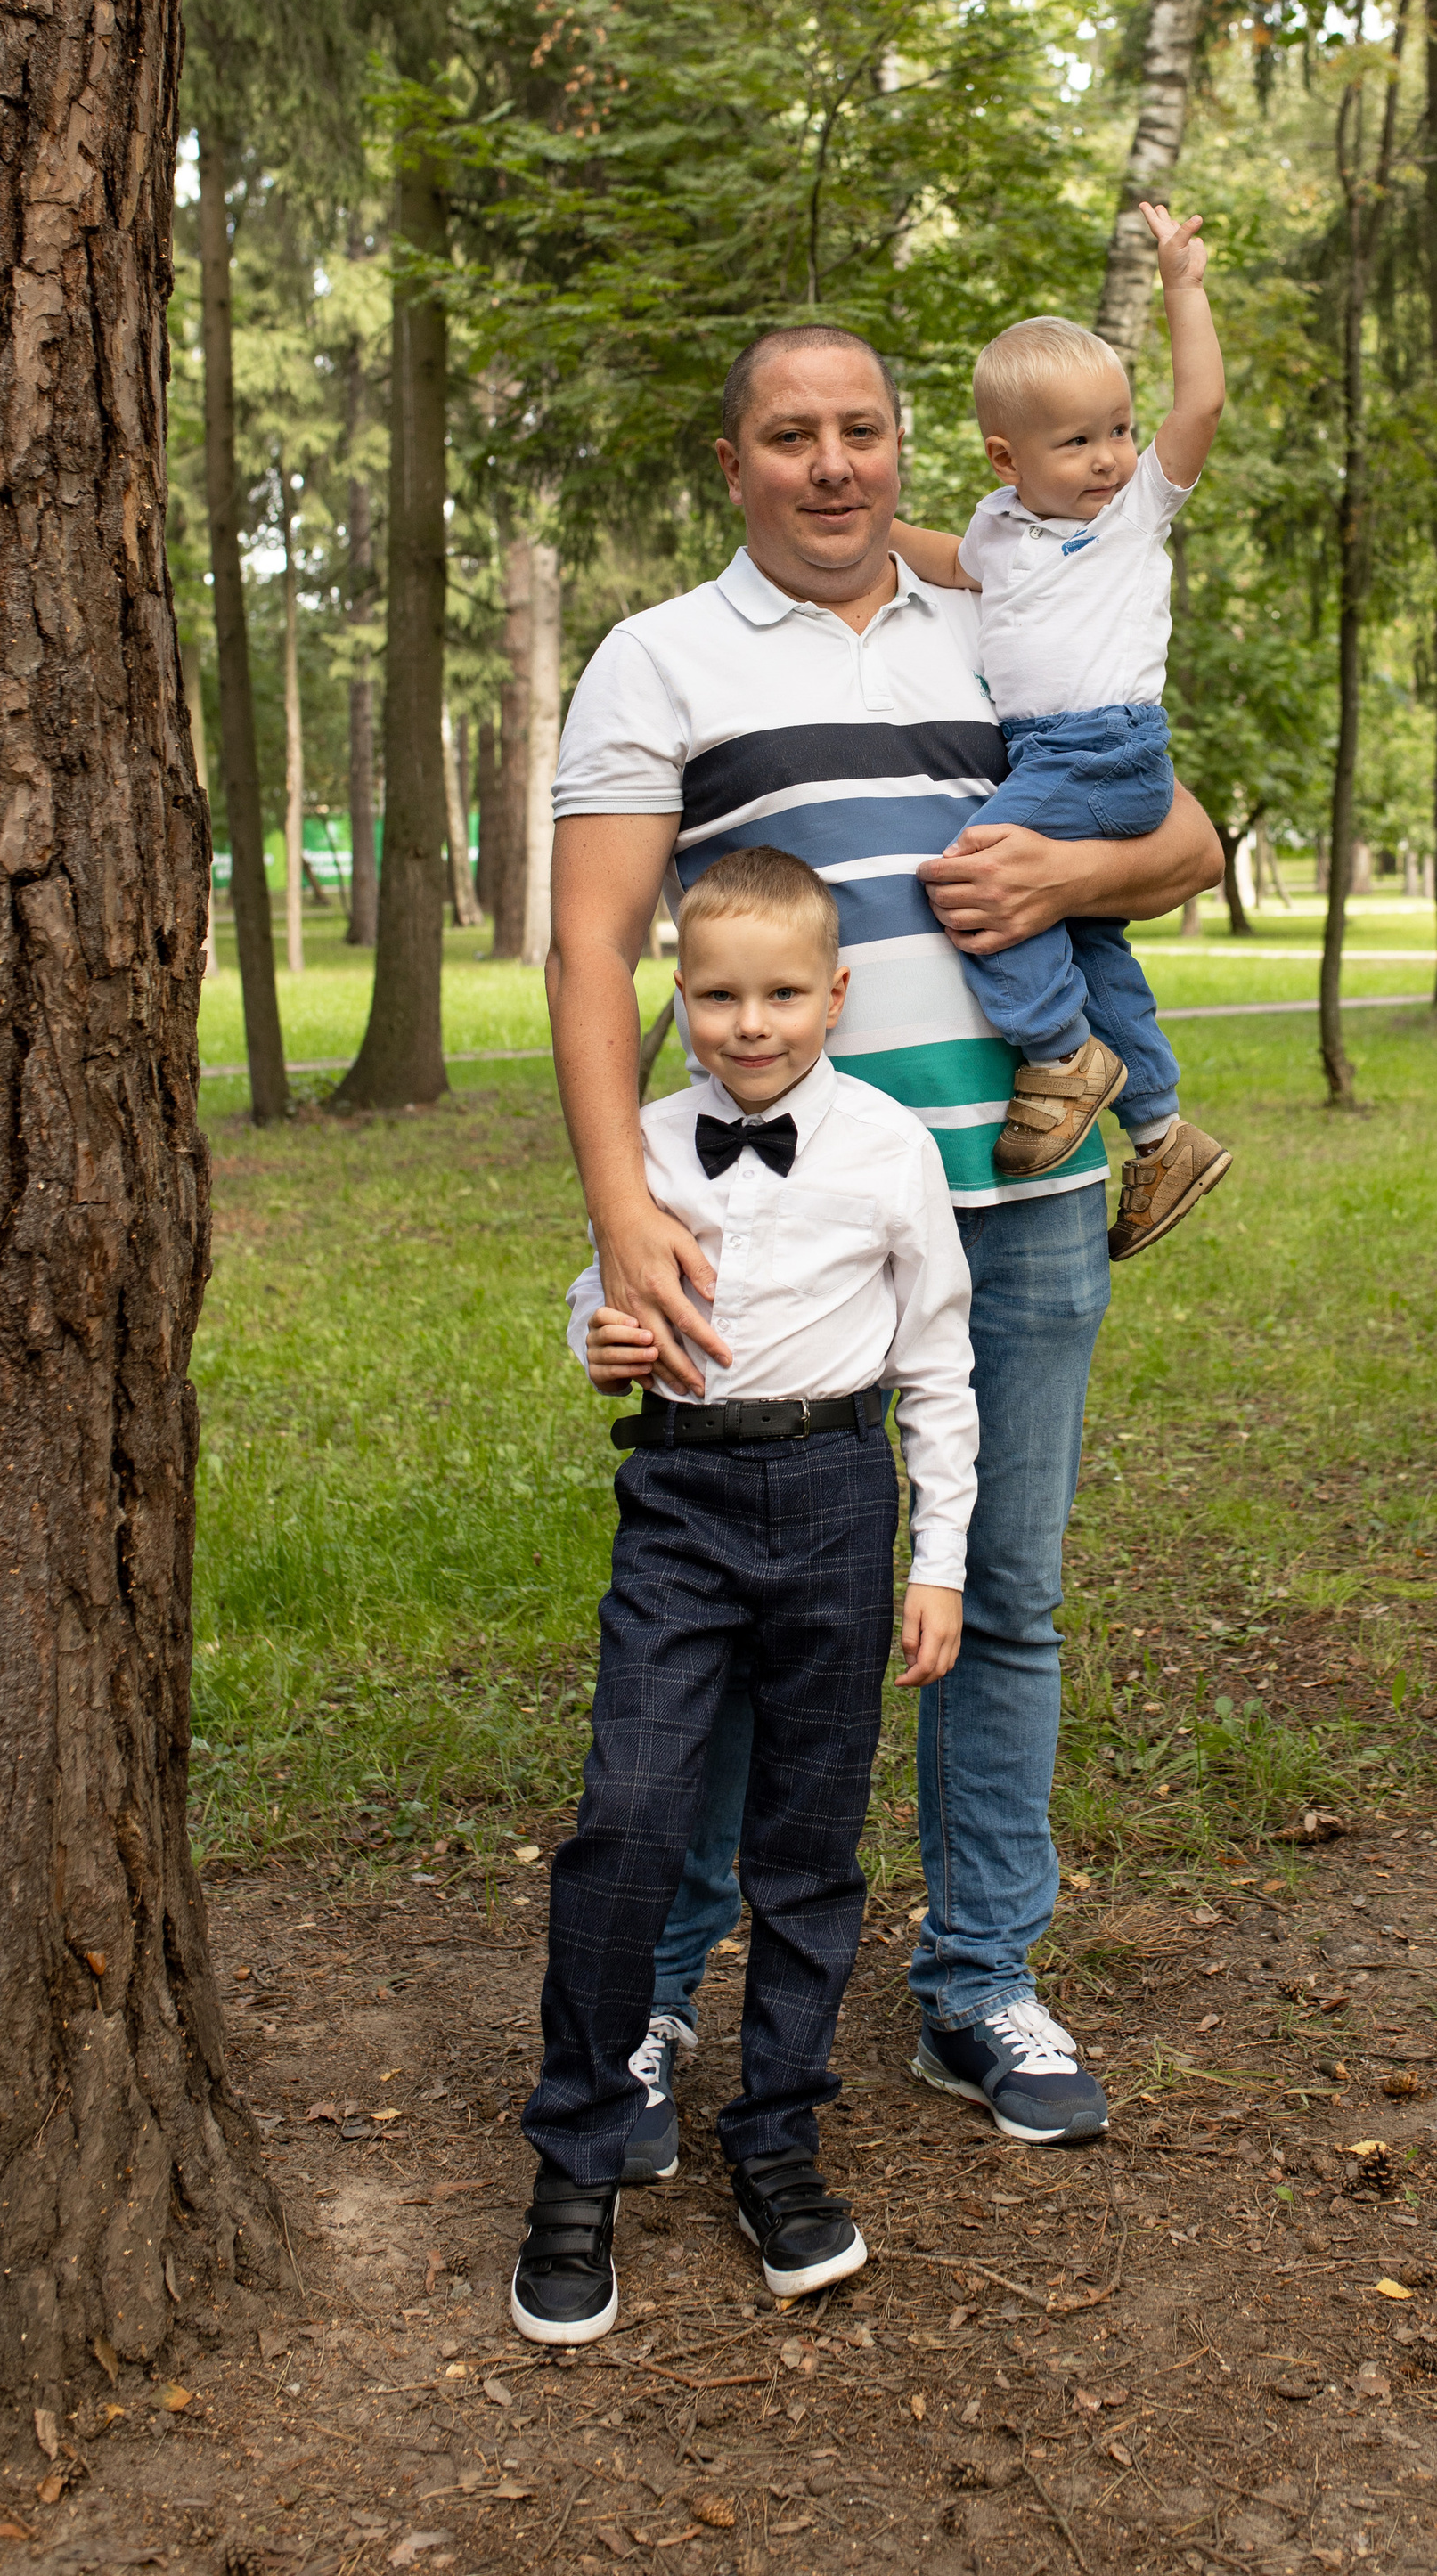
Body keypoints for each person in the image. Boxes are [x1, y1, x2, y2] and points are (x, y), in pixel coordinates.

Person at [543, 326, 1222, 2183]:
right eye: (789, 434)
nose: (828, 465)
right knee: (750, 1624)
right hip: (774, 1230)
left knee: (997, 1602)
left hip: (1016, 1200)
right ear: (733, 455)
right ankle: (672, 1990)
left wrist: (1065, 882)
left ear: (910, 450)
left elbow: (1179, 833)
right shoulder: (657, 658)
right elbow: (591, 948)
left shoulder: (1001, 608)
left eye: (859, 432)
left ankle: (978, 1980)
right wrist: (624, 1209)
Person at [512, 846, 977, 2337]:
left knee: (807, 1847)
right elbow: (599, 1296)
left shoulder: (893, 1150)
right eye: (717, 995)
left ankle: (777, 2141)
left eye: (783, 993)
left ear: (836, 993)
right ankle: (576, 2162)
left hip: (840, 1505)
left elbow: (940, 1368)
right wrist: (599, 1334)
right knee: (627, 1821)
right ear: (679, 993)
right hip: (680, 1503)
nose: (751, 1023)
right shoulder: (637, 1140)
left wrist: (940, 1560)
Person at [887, 200, 1230, 1262]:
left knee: (977, 875)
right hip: (1045, 755)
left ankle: (1060, 1054)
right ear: (1005, 458)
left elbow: (1204, 405)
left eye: (1118, 431)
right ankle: (1163, 1132)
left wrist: (1182, 284)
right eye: (1076, 441)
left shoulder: (1135, 515)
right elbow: (947, 560)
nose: (1108, 459)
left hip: (1111, 748)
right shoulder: (1000, 529)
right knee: (1088, 938)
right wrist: (865, 524)